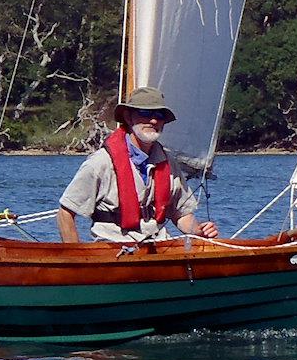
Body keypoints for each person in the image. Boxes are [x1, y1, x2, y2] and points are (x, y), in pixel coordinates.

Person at [57, 86, 219, 244]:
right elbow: (65, 213)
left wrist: (199, 231)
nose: (153, 120)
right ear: (128, 117)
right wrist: (76, 257)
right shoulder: (100, 162)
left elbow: (181, 213)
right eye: (145, 113)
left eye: (159, 115)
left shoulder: (168, 161)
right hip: (113, 248)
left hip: (158, 247)